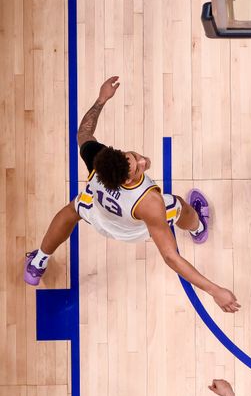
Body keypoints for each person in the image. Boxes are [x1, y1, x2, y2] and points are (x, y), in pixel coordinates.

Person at [23, 76, 240, 313]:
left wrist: (101, 100)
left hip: (98, 213)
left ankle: (37, 262)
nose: (142, 161)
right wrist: (214, 290)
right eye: (138, 168)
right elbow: (170, 257)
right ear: (126, 180)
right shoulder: (149, 202)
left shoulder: (100, 162)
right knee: (177, 205)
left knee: (71, 211)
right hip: (132, 227)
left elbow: (83, 133)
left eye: (132, 156)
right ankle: (198, 227)